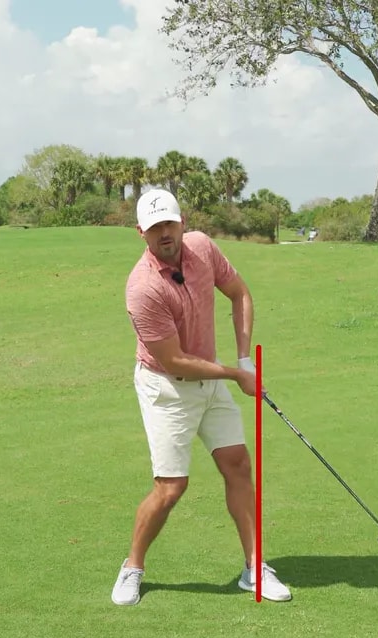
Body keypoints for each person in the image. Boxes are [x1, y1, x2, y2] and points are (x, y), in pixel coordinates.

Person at [111, 188, 292, 606]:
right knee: (171, 488)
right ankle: (132, 566)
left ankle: (254, 567)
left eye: (169, 223)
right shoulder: (142, 288)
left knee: (237, 465)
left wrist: (244, 359)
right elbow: (174, 360)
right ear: (141, 232)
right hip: (167, 388)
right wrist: (235, 375)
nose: (164, 233)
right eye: (154, 227)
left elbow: (240, 293)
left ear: (183, 222)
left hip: (210, 378)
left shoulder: (203, 249)